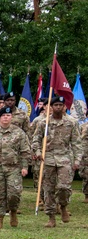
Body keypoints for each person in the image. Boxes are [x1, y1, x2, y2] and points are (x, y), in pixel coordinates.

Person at [31, 97, 84, 227]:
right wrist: (38, 153)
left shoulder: (71, 123)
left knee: (64, 187)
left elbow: (77, 143)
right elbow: (35, 141)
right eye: (56, 105)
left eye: (61, 105)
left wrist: (77, 160)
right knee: (48, 189)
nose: (58, 107)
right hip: (47, 158)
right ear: (51, 107)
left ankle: (64, 206)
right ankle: (51, 217)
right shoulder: (44, 122)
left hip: (65, 158)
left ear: (64, 107)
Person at [0, 107, 31, 228]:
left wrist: (25, 167)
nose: (6, 117)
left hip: (13, 168)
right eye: (3, 115)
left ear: (11, 117)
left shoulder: (19, 133)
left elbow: (25, 151)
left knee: (14, 193)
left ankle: (13, 211)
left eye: (8, 115)